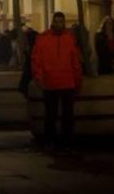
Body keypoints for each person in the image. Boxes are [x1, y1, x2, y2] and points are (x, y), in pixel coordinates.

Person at [31, 11, 83, 152]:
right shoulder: (63, 39)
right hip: (56, 83)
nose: (59, 24)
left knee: (58, 115)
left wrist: (39, 78)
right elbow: (37, 61)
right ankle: (59, 141)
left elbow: (75, 62)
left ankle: (56, 141)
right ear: (54, 22)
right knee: (56, 115)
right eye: (58, 21)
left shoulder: (56, 39)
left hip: (59, 83)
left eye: (61, 21)